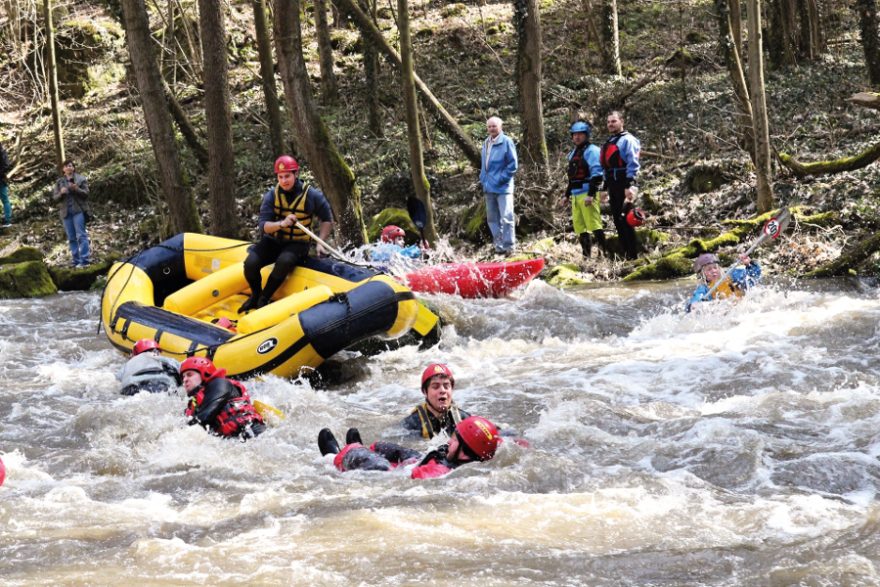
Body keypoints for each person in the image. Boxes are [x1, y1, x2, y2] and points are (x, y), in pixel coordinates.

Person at [238, 155, 334, 313]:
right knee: (250, 264)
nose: (284, 181)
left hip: (298, 244)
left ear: (296, 174)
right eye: (280, 177)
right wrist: (281, 224)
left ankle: (264, 298)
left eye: (287, 176)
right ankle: (255, 295)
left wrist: (320, 242)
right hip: (273, 240)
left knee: (284, 261)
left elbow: (327, 219)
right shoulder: (271, 195)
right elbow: (264, 226)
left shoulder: (312, 195)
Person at [318, 415, 501, 479]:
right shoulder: (462, 457)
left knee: (375, 463)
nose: (448, 442)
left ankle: (332, 457)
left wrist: (407, 467)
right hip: (418, 463)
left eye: (454, 439)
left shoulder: (440, 473)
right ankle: (360, 447)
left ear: (465, 449)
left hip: (394, 474)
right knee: (387, 447)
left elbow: (411, 477)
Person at [180, 356, 266, 440]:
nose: (185, 380)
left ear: (205, 373)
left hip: (253, 433)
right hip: (233, 441)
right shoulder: (194, 403)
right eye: (183, 377)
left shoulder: (220, 384)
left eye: (189, 375)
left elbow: (204, 417)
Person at [600, 111, 641, 260]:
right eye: (609, 122)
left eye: (614, 121)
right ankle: (626, 255)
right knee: (617, 220)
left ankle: (634, 255)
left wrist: (630, 185)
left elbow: (633, 163)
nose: (611, 124)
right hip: (612, 184)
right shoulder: (609, 142)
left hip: (625, 182)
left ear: (621, 121)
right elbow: (606, 168)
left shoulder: (628, 140)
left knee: (627, 219)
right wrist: (604, 189)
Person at [561, 121, 605, 259]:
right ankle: (586, 257)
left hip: (587, 193)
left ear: (586, 135)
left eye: (580, 134)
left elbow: (597, 174)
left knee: (595, 225)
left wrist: (591, 194)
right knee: (580, 228)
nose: (577, 137)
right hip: (575, 195)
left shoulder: (592, 151)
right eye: (575, 135)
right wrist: (566, 195)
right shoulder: (573, 153)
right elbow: (571, 177)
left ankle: (604, 254)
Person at [479, 116, 518, 255]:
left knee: (506, 217)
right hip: (488, 187)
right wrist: (483, 179)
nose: (491, 129)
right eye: (489, 126)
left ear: (500, 126)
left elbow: (513, 165)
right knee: (492, 219)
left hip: (503, 187)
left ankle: (509, 247)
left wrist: (501, 179)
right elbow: (484, 165)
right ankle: (499, 246)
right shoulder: (486, 142)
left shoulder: (507, 142)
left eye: (494, 126)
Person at [401, 363, 471, 439]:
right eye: (435, 387)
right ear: (425, 391)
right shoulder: (410, 425)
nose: (442, 390)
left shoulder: (465, 420)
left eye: (446, 386)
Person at [686, 252, 761, 312]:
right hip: (726, 313)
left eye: (715, 267)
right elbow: (696, 299)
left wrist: (749, 264)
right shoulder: (704, 288)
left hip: (745, 307)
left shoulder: (732, 275)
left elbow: (754, 274)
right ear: (702, 274)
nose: (713, 271)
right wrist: (693, 305)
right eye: (709, 269)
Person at [54, 159, 92, 267]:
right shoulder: (59, 182)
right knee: (71, 238)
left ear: (73, 168)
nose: (68, 167)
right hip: (66, 213)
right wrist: (61, 193)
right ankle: (76, 261)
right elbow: (55, 198)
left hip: (78, 210)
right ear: (63, 169)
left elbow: (86, 194)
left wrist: (77, 189)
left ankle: (85, 261)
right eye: (66, 166)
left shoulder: (81, 179)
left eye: (70, 166)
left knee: (81, 235)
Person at [117, 338, 182, 396]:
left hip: (132, 388)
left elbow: (117, 379)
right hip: (162, 386)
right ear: (157, 352)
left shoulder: (129, 363)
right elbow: (182, 369)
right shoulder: (165, 359)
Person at [0, 141, 11, 227]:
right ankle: (7, 221)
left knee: (5, 200)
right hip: (1, 178)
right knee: (5, 200)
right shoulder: (3, 152)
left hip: (1, 179)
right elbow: (7, 165)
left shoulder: (2, 153)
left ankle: (8, 220)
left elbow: (6, 165)